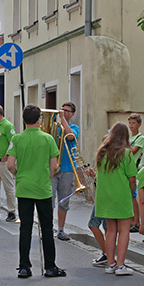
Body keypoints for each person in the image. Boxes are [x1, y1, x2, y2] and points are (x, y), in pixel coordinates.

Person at [7, 104, 65, 278]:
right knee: (46, 228)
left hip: (24, 187)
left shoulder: (17, 139)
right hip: (43, 188)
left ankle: (24, 266)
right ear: (39, 119)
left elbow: (10, 165)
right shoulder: (48, 139)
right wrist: (45, 178)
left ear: (24, 120)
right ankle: (50, 266)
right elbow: (54, 166)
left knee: (25, 227)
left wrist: (20, 175)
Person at [93, 122, 138, 276]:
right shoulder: (126, 153)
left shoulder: (102, 152)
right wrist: (130, 193)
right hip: (121, 195)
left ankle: (110, 263)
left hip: (105, 196)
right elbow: (132, 179)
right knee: (124, 230)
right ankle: (120, 265)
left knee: (110, 230)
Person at [51, 102, 79, 241]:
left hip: (67, 169)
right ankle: (48, 228)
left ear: (72, 114)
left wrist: (62, 119)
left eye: (67, 111)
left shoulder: (74, 127)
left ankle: (61, 230)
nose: (64, 112)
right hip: (52, 168)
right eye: (62, 110)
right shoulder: (54, 128)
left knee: (63, 202)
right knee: (49, 200)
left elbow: (70, 137)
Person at [127, 113, 144, 233]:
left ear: (139, 124)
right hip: (127, 168)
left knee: (133, 196)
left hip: (135, 168)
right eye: (130, 123)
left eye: (134, 123)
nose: (131, 125)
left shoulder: (140, 138)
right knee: (129, 196)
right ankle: (131, 221)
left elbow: (132, 151)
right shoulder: (128, 138)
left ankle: (137, 222)